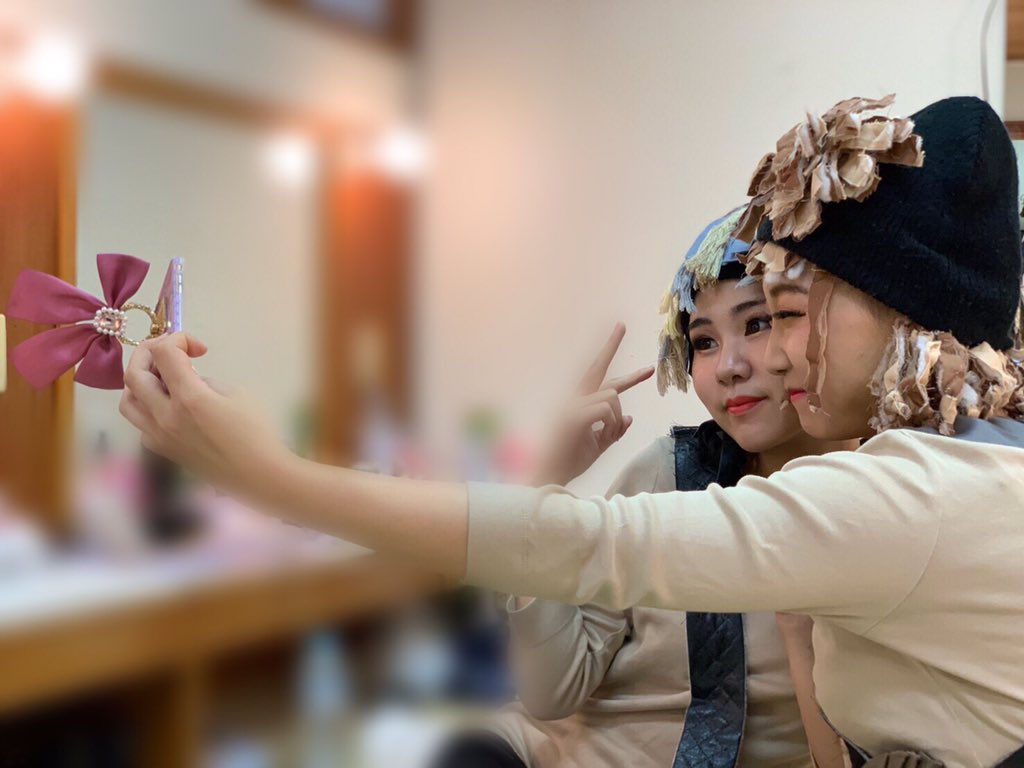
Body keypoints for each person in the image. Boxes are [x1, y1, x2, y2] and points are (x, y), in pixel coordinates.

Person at [121, 95, 1024, 767]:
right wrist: (539, 476)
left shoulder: (906, 491)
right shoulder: (685, 472)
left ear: (906, 314)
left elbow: (592, 545)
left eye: (779, 317)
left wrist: (271, 476)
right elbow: (558, 654)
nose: (759, 359)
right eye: (704, 341)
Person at [433, 212, 853, 768]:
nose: (728, 367)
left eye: (756, 324)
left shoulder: (878, 500)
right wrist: (541, 489)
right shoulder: (666, 476)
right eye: (704, 342)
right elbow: (552, 692)